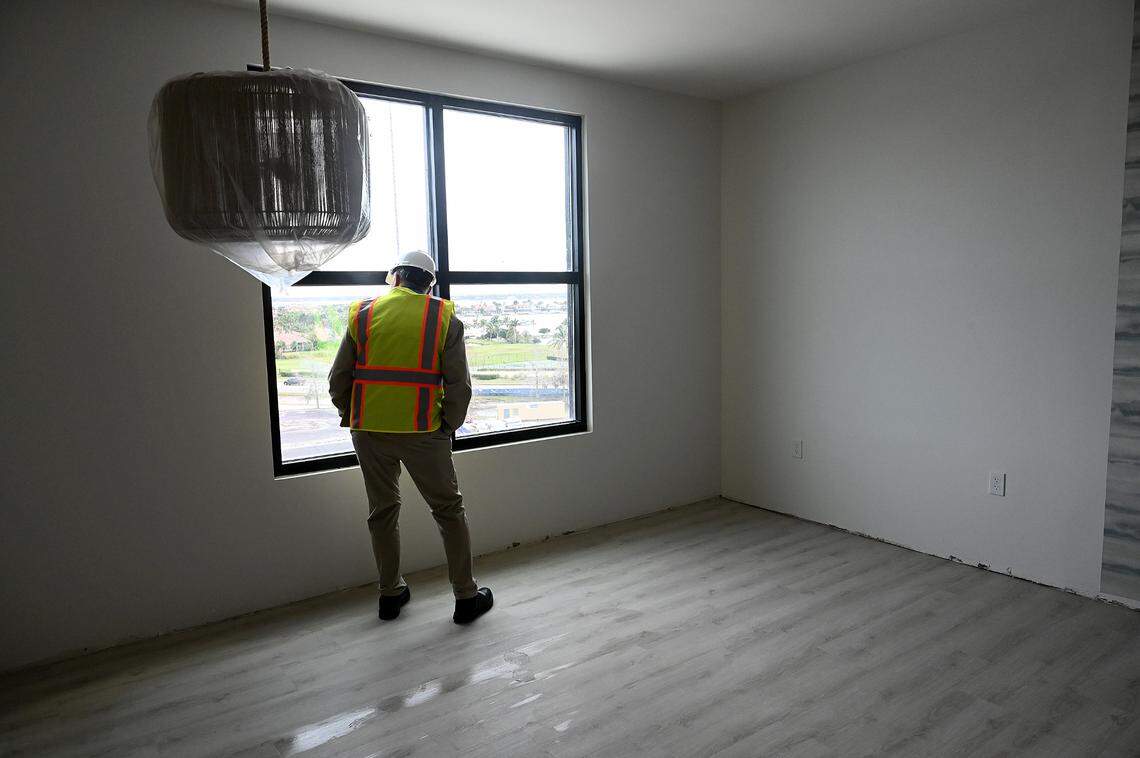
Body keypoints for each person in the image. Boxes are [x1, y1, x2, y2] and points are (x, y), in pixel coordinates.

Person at [329, 250, 494, 624]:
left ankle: (390, 595)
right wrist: (447, 426)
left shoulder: (363, 314)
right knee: (449, 511)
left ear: (396, 277)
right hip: (424, 432)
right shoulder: (444, 317)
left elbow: (338, 379)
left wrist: (351, 414)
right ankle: (466, 597)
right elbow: (459, 386)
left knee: (382, 512)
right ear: (429, 283)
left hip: (368, 432)